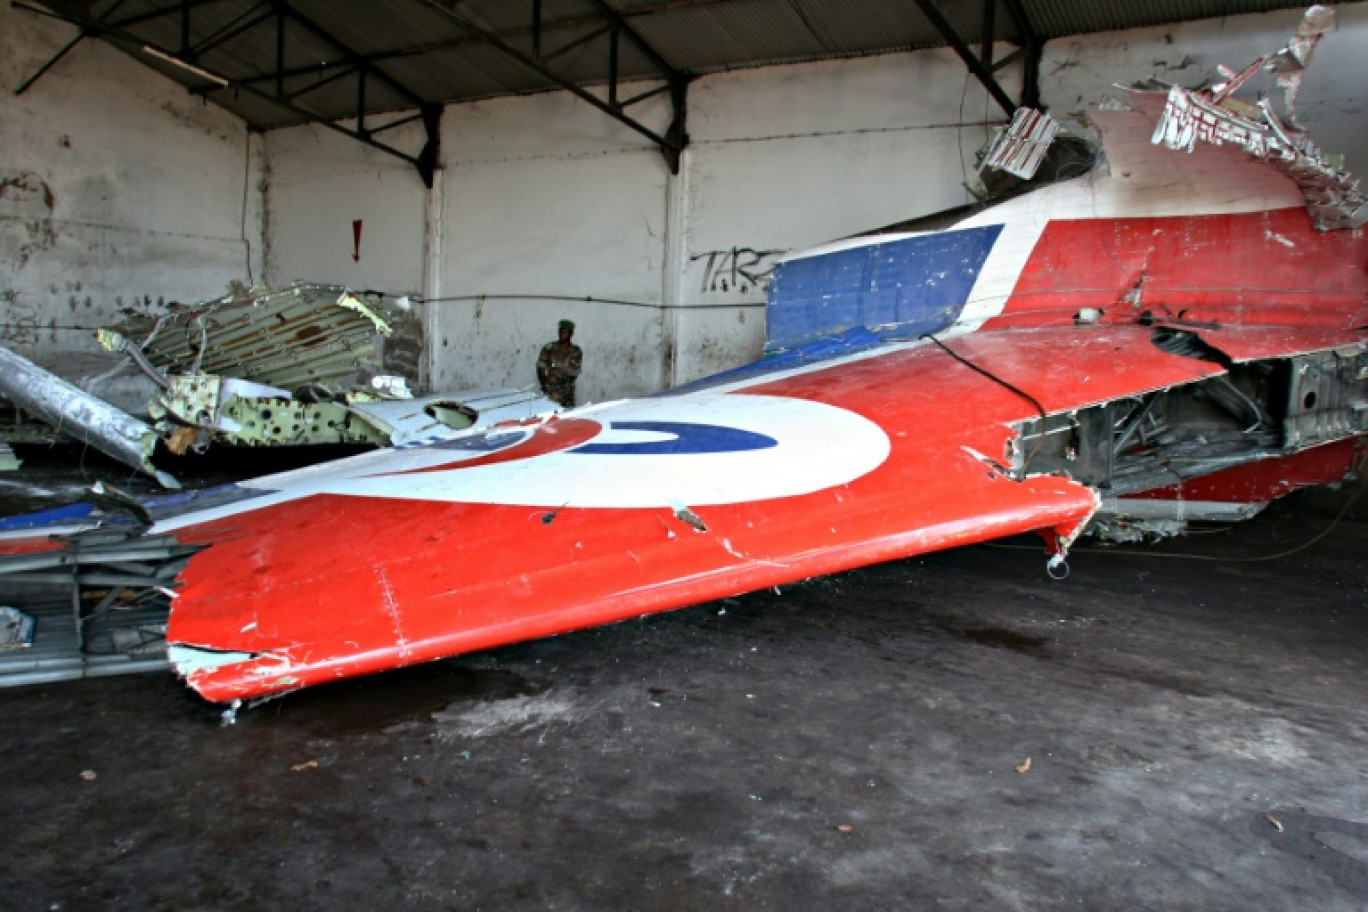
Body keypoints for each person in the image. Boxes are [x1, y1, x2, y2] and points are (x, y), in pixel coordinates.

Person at [537, 319, 583, 407]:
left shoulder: (576, 351)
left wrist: (565, 385)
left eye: (565, 332)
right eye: (560, 331)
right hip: (552, 391)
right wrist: (545, 385)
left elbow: (575, 372)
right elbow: (540, 368)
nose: (562, 334)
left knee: (568, 416)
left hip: (568, 393)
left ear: (571, 334)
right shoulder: (549, 348)